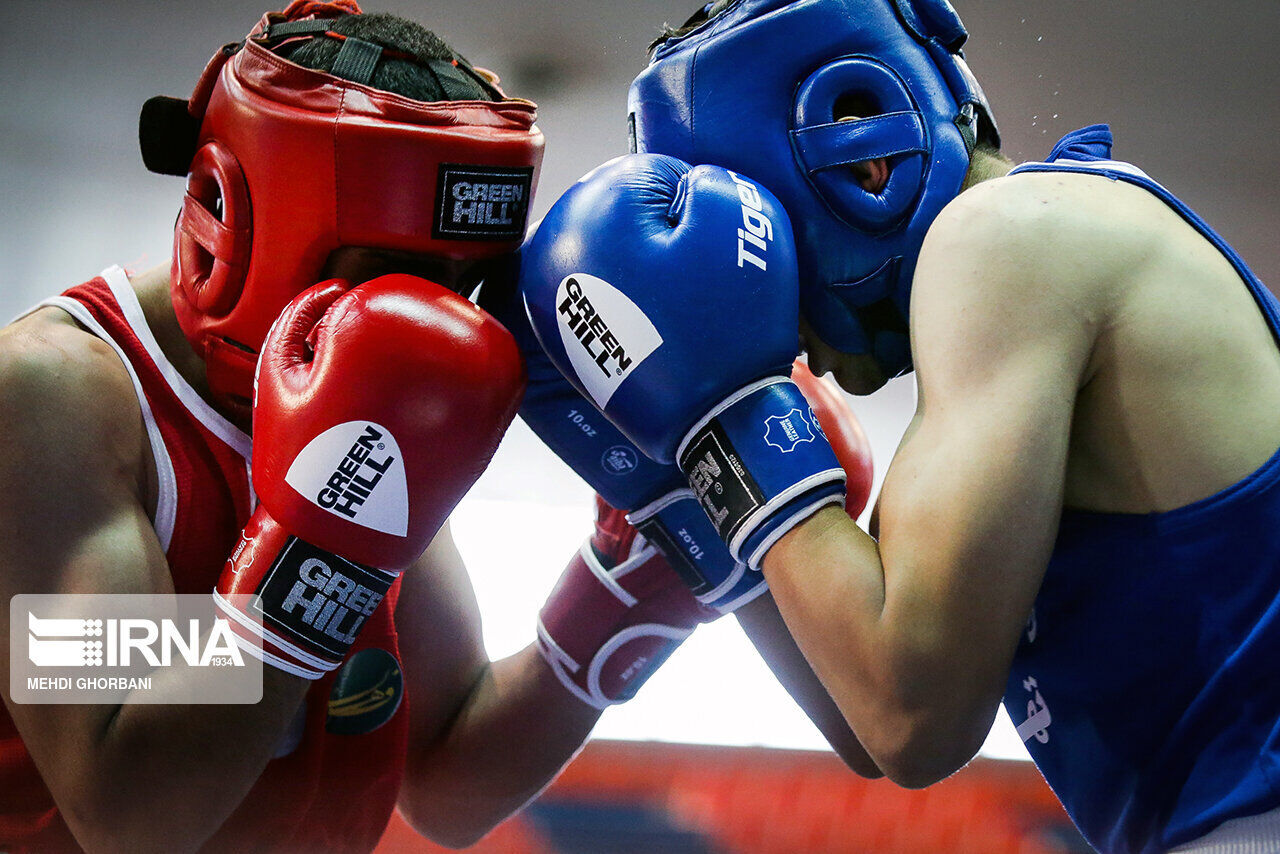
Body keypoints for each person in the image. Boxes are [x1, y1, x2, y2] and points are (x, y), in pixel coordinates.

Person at [0, 3, 875, 850]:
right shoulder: (58, 395)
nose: (433, 320)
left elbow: (448, 781)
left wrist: (631, 587)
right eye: (393, 273)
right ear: (236, 217)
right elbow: (123, 816)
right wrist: (315, 556)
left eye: (462, 283)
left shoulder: (380, 399)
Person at [518, 1, 1280, 852]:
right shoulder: (1052, 253)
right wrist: (676, 482)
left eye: (757, 247)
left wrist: (725, 417)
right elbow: (865, 712)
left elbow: (911, 719)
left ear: (863, 157)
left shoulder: (1011, 236)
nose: (787, 334)